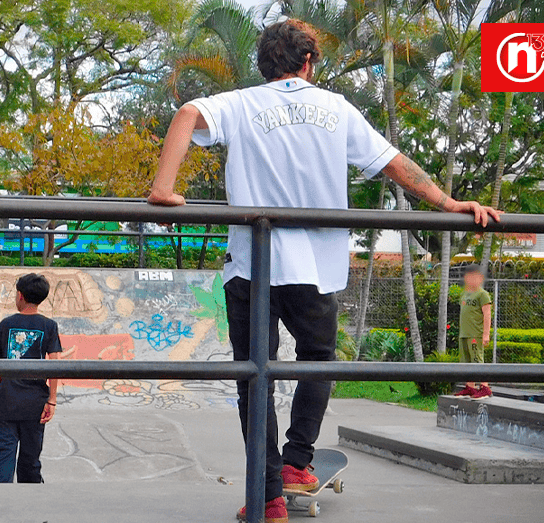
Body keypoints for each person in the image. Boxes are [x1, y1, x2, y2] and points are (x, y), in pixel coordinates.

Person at [147, 19, 502, 523]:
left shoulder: (242, 103)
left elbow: (186, 113)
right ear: (309, 61)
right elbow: (395, 164)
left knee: (255, 378)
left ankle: (268, 496)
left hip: (251, 266)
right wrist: (448, 202)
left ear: (264, 64)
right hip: (315, 270)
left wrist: (164, 188)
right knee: (318, 359)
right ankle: (297, 463)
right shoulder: (336, 108)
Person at [0, 273, 62, 483]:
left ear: (19, 295)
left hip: (7, 402)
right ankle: (31, 505)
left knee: (0, 457)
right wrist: (52, 399)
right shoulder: (49, 326)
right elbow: (55, 363)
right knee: (30, 459)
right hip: (35, 403)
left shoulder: (6, 324)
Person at [453, 265, 493, 399]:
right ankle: (470, 387)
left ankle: (485, 387)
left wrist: (486, 334)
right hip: (464, 334)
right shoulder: (464, 294)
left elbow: (487, 315)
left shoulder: (483, 294)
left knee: (477, 360)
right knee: (466, 362)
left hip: (476, 334)